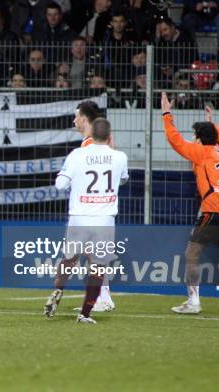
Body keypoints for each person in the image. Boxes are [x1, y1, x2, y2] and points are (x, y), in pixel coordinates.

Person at [161, 93, 219, 317]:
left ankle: (193, 302)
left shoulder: (200, 153)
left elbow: (175, 140)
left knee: (191, 255)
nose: (193, 139)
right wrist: (212, 123)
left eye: (195, 136)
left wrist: (166, 114)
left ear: (200, 139)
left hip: (213, 212)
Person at [45, 118, 129, 324]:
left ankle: (57, 291)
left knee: (69, 260)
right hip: (104, 220)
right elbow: (123, 179)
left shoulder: (77, 155)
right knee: (98, 268)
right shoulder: (119, 157)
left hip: (79, 218)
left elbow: (60, 185)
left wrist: (74, 178)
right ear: (110, 137)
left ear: (91, 135)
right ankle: (85, 314)